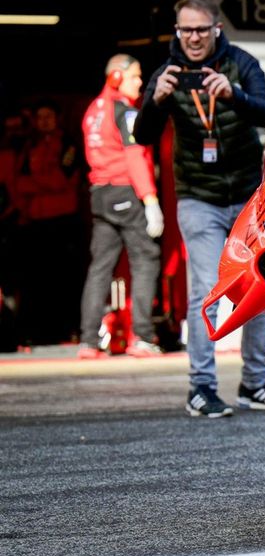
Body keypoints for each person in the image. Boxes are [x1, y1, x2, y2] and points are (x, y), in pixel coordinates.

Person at [134, 0, 265, 417]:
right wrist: (155, 101)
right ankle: (200, 387)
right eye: (186, 30)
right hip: (198, 197)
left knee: (258, 285)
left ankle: (254, 383)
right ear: (177, 31)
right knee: (206, 290)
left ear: (216, 28)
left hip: (249, 195)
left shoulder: (240, 63)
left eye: (200, 29)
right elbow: (141, 135)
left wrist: (234, 95)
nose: (193, 38)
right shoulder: (167, 72)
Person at [78, 55, 163, 359]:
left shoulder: (92, 111)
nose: (140, 82)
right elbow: (134, 156)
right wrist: (150, 200)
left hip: (99, 193)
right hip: (125, 190)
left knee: (100, 267)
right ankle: (142, 337)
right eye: (135, 76)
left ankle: (88, 341)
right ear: (116, 77)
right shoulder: (125, 112)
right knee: (146, 259)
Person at [15, 99, 84, 345]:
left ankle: (67, 330)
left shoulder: (69, 144)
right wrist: (43, 184)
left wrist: (36, 183)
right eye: (40, 117)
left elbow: (61, 180)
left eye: (48, 116)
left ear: (57, 119)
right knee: (36, 280)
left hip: (63, 220)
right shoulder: (29, 146)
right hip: (36, 221)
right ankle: (38, 333)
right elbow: (19, 182)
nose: (44, 122)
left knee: (63, 278)